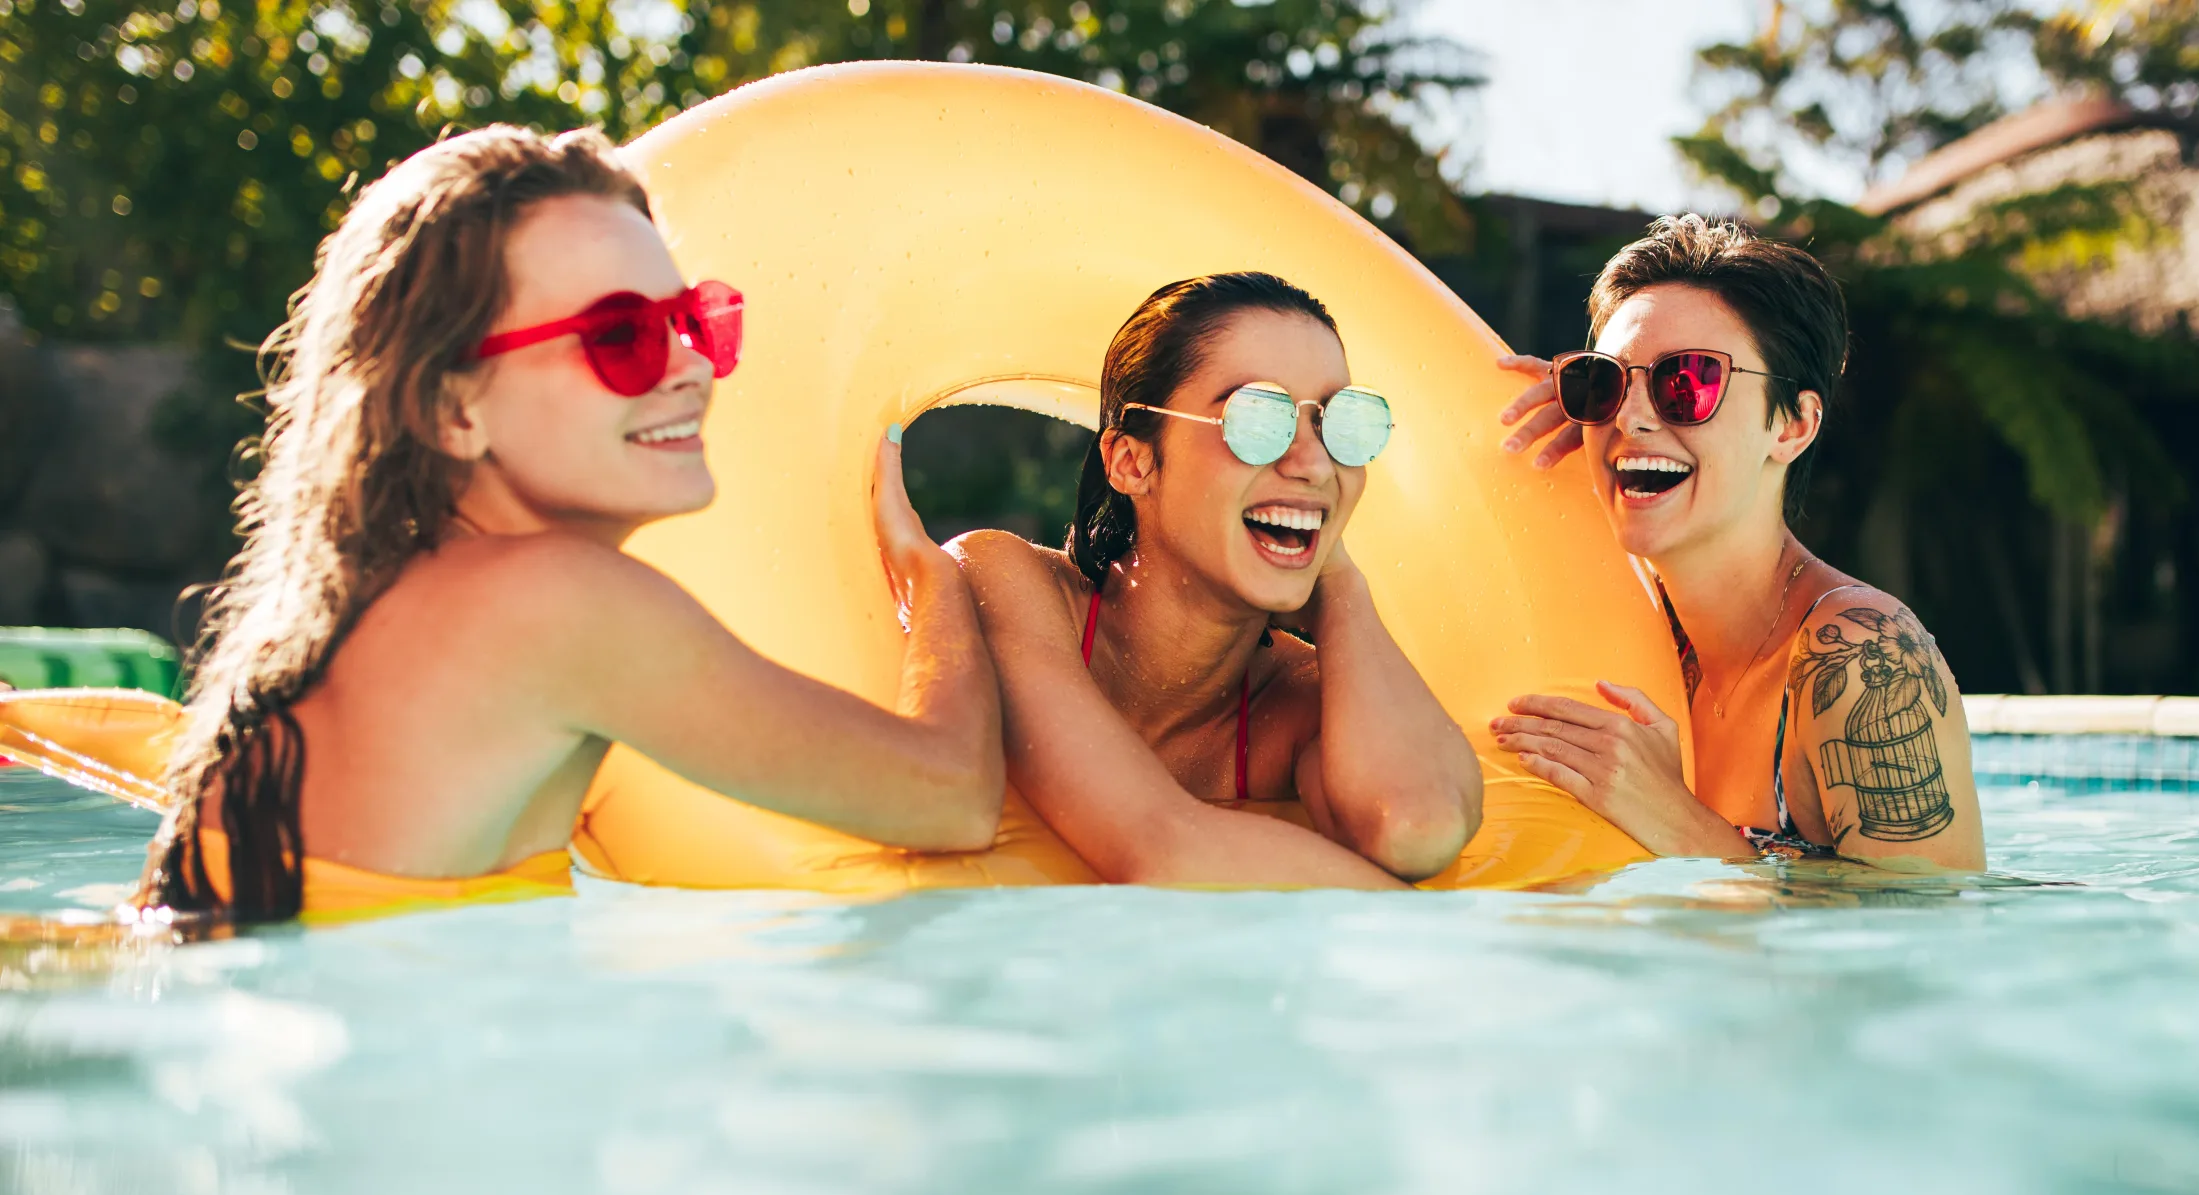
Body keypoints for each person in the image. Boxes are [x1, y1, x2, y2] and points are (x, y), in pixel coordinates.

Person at [145, 125, 1003, 923]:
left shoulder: (404, 598)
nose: (690, 368)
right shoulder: (558, 602)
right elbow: (952, 799)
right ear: (454, 410)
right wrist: (934, 576)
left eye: (692, 321)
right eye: (621, 334)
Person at [953, 272, 1482, 887]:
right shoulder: (1006, 581)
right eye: (1257, 418)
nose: (1313, 463)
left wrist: (1338, 580)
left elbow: (1419, 827)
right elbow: (1159, 845)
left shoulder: (1298, 707)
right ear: (1133, 462)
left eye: (1343, 426)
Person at [1490, 216, 1985, 871]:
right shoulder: (1624, 624)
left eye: (1686, 382)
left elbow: (1928, 940)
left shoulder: (1859, 654)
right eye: (1602, 383)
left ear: (1793, 426)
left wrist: (1675, 820)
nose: (1632, 419)